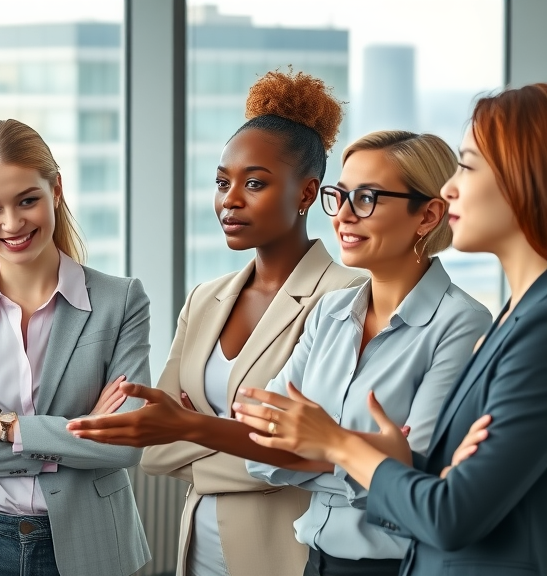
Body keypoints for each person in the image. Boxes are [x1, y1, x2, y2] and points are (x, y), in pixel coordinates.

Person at [70, 128, 491, 575]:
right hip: (317, 559)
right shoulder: (331, 312)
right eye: (340, 196)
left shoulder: (462, 323)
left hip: (396, 564)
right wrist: (188, 423)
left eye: (366, 198)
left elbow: (415, 476)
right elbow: (265, 445)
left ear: (427, 216)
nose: (344, 216)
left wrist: (317, 446)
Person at [233, 83, 547, 576]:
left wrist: (336, 443)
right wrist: (413, 468)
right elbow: (265, 452)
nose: (449, 188)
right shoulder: (514, 315)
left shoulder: (502, 324)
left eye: (466, 165)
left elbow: (447, 510)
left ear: (526, 178)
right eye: (342, 195)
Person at [139, 70, 363, 576]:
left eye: (254, 183)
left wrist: (194, 433)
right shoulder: (204, 299)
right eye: (222, 182)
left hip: (285, 557)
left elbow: (313, 456)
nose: (229, 200)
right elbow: (154, 452)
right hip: (197, 552)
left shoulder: (346, 296)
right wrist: (248, 443)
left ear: (307, 194)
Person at [0, 119, 151, 576]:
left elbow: (125, 442)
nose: (12, 223)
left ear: (56, 189)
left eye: (28, 200)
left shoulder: (119, 301)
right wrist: (73, 439)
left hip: (91, 540)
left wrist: (0, 427)